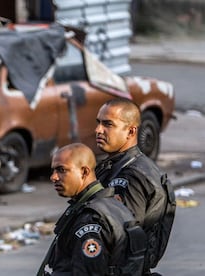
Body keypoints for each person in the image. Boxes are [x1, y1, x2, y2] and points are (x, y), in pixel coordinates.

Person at [37, 143, 145, 276]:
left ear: (84, 172)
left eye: (61, 170)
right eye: (53, 170)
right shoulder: (113, 205)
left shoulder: (90, 220)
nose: (53, 177)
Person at [95, 98, 172, 274]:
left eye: (108, 124)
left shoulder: (132, 176)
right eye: (98, 123)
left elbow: (124, 240)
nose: (98, 130)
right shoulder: (119, 166)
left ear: (130, 131)